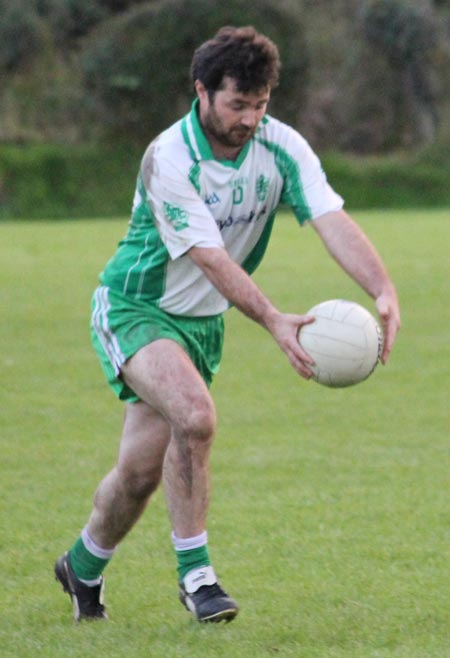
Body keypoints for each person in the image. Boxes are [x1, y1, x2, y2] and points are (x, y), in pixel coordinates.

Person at [55, 25, 400, 624]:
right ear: (203, 91)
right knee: (195, 416)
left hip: (203, 325)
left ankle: (81, 566)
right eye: (238, 103)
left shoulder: (281, 146)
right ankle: (199, 579)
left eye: (260, 104)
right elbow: (210, 259)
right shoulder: (171, 157)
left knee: (139, 474)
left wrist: (382, 288)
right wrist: (273, 320)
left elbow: (330, 217)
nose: (249, 117)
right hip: (137, 307)